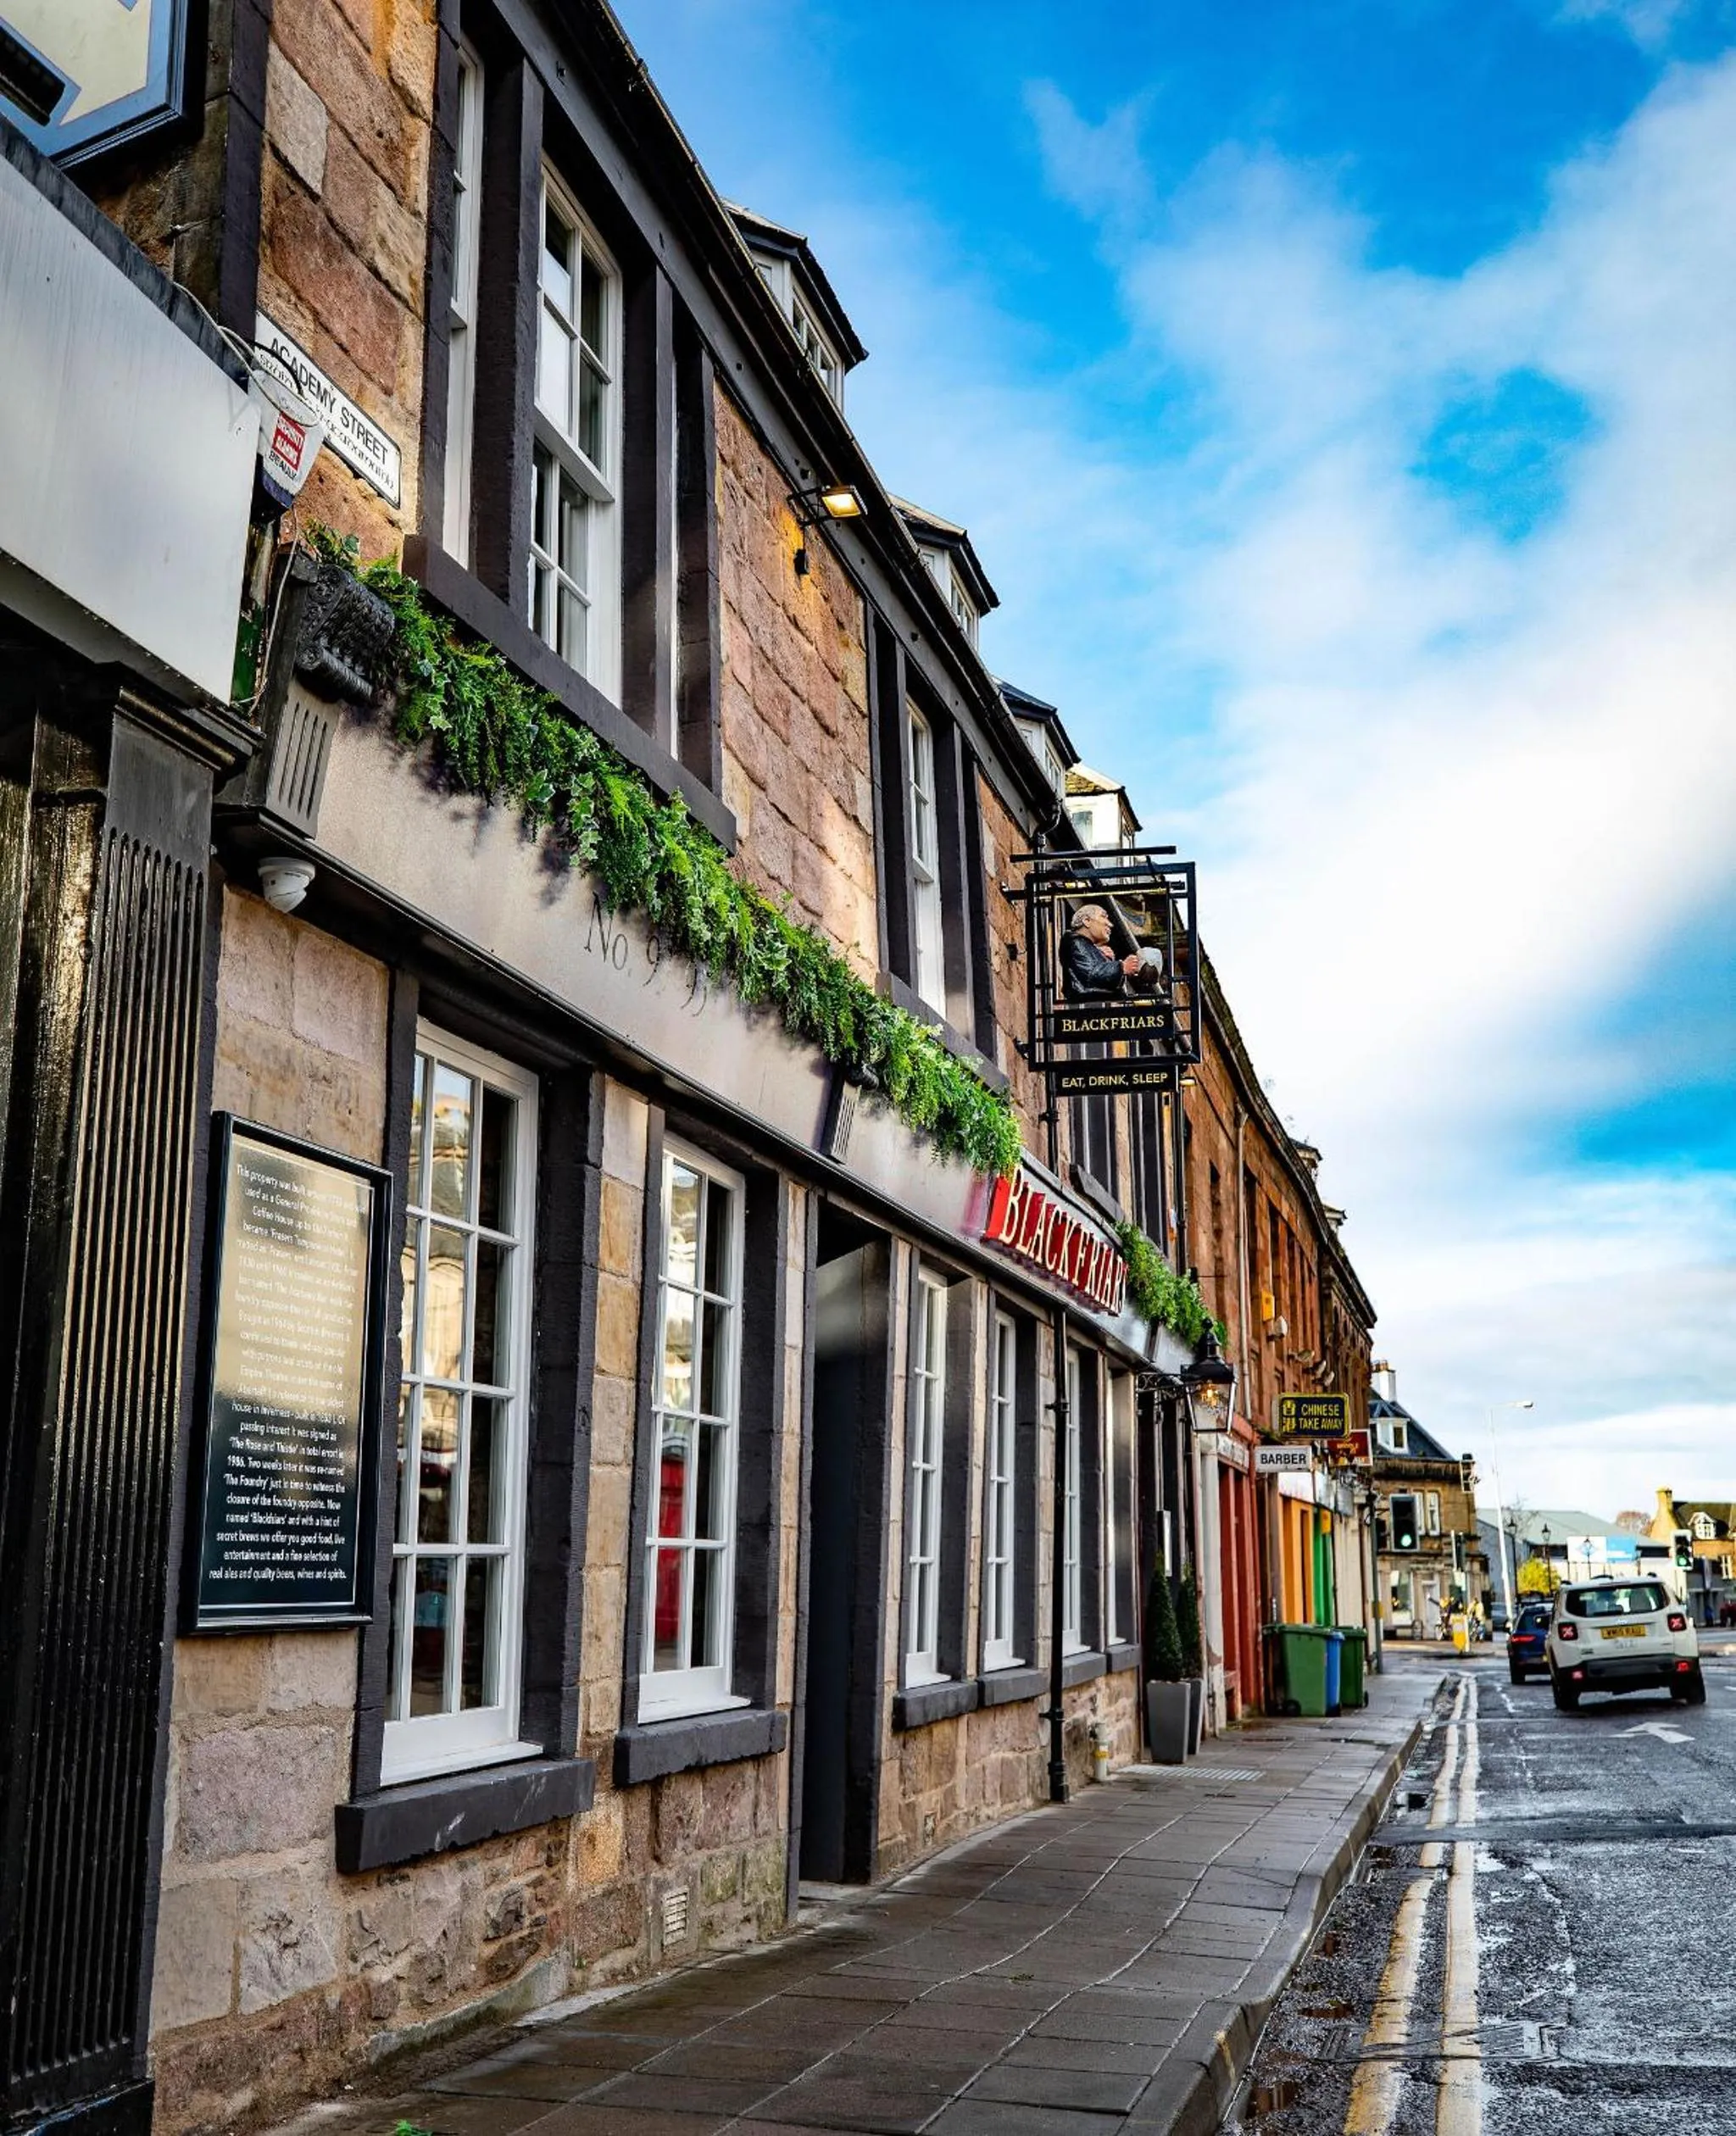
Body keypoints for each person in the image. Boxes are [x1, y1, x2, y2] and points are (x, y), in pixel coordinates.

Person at [1062, 904, 1141, 998]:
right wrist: (1121, 967)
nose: (1110, 924)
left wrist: (1103, 958)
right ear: (1087, 921)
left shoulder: (1082, 945)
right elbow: (1091, 975)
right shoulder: (1076, 943)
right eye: (1103, 917)